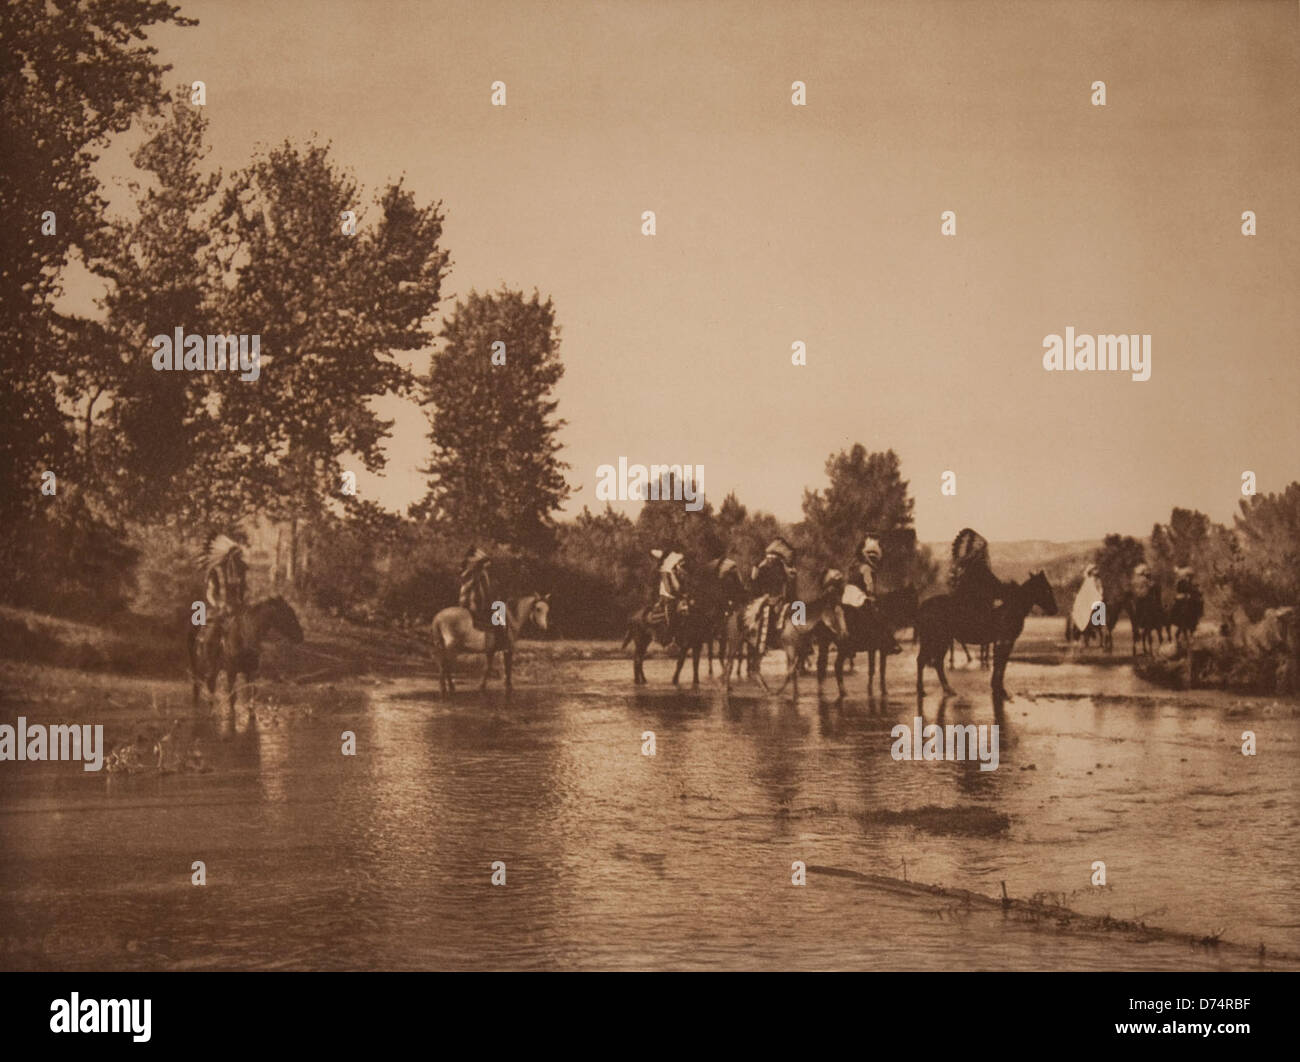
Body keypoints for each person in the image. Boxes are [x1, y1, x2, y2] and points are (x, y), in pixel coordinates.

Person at [746, 537, 797, 654]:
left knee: (799, 609)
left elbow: (787, 583)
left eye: (772, 559)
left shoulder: (782, 568)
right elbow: (755, 583)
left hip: (780, 598)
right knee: (767, 614)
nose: (770, 561)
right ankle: (767, 641)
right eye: (769, 559)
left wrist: (783, 596)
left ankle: (803, 644)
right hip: (767, 599)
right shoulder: (764, 568)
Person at [647, 548, 689, 645]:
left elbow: (684, 585)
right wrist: (680, 594)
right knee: (671, 613)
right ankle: (671, 637)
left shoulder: (678, 572)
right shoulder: (665, 573)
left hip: (678, 597)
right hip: (668, 598)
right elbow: (668, 590)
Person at [459, 546, 493, 630]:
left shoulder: (468, 572)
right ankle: (499, 639)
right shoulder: (477, 573)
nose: (487, 564)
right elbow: (484, 592)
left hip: (468, 602)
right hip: (474, 604)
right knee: (499, 614)